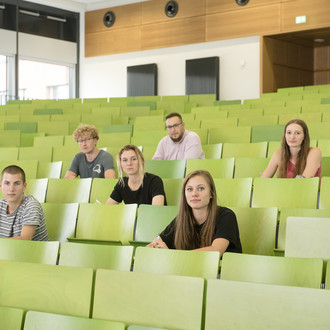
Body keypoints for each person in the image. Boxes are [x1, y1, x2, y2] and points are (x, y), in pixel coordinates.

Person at [148, 170, 242, 255]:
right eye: (189, 189)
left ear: (211, 193)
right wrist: (156, 247)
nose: (194, 194)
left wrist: (172, 255)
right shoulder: (181, 219)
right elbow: (152, 246)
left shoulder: (226, 216)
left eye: (201, 188)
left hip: (221, 273)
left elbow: (216, 251)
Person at [0, 165, 48, 241]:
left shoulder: (31, 205)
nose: (11, 189)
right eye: (7, 183)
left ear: (24, 186)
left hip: (32, 252)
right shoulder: (1, 204)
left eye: (16, 183)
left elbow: (25, 239)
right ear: (0, 186)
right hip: (7, 251)